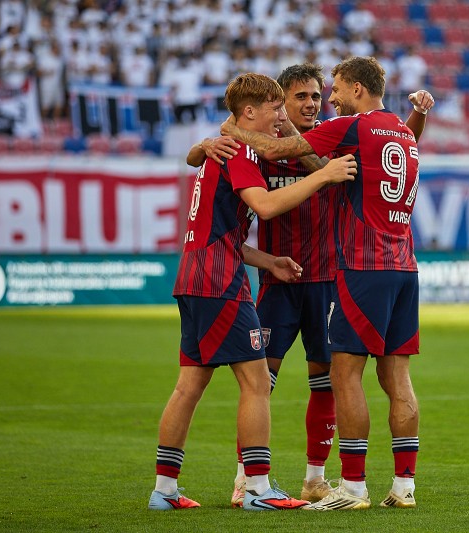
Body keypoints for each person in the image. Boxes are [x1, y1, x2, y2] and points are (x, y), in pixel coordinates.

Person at [192, 63, 434, 508]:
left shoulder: (337, 135)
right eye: (300, 96)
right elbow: (393, 142)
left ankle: (317, 479)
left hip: (330, 280)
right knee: (261, 383)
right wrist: (207, 142)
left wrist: (231, 129)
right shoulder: (266, 146)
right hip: (281, 280)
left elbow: (365, 148)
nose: (314, 102)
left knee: (329, 382)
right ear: (279, 102)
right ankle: (247, 477)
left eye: (320, 95)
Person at [148, 72, 357, 512]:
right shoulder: (241, 150)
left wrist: (269, 262)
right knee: (257, 381)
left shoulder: (221, 148)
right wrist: (323, 176)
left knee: (189, 386)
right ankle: (258, 489)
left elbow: (223, 229)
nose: (281, 115)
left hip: (195, 275)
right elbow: (264, 206)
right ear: (249, 112)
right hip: (220, 282)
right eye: (276, 107)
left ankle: (163, 490)